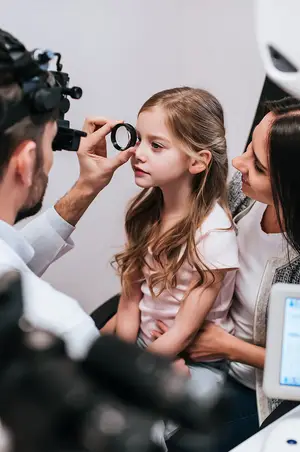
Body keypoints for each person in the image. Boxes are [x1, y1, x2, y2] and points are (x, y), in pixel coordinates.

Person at [152, 96, 300, 451]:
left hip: (255, 389)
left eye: (259, 167)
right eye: (248, 148)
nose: (239, 163)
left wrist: (227, 347)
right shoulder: (243, 194)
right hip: (198, 348)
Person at [0, 54, 134, 359]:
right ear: (25, 161)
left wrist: (86, 186)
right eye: (51, 145)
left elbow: (12, 263)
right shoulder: (62, 329)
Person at [113, 87, 239, 393]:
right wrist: (122, 361)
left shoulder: (214, 234)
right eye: (139, 138)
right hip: (146, 343)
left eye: (156, 145)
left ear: (197, 162)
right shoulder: (143, 214)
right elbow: (130, 302)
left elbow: (183, 332)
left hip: (195, 359)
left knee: (149, 426)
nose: (138, 153)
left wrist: (136, 369)